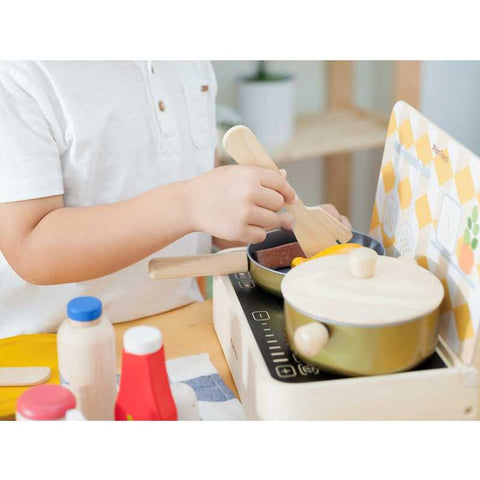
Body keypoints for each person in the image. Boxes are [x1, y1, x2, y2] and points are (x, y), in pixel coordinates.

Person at [0, 61, 349, 338]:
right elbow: (30, 246)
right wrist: (189, 203)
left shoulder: (187, 61)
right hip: (49, 349)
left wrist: (288, 231)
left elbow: (209, 223)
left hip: (183, 326)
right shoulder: (18, 71)